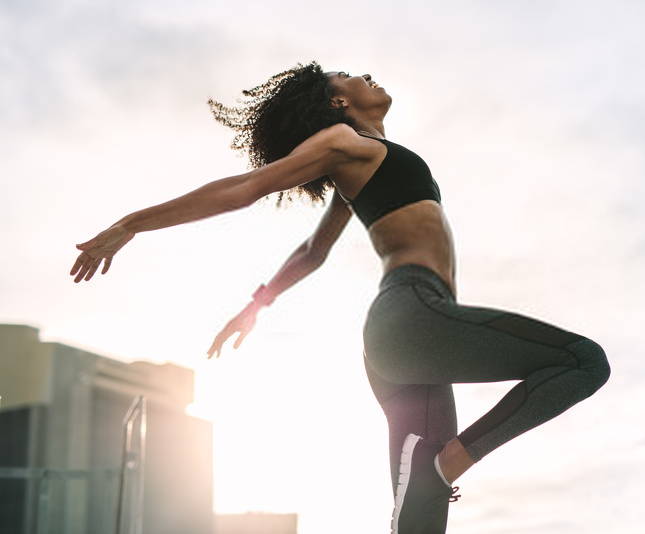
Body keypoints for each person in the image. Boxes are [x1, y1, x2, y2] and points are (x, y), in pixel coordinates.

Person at [70, 61, 611, 533]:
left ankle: (437, 471)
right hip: (415, 315)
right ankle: (449, 462)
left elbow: (312, 251)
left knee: (420, 519)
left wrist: (257, 303)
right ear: (338, 101)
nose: (363, 74)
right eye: (347, 75)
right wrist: (132, 224)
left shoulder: (364, 161)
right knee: (582, 361)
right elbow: (248, 187)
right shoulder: (344, 143)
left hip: (406, 345)